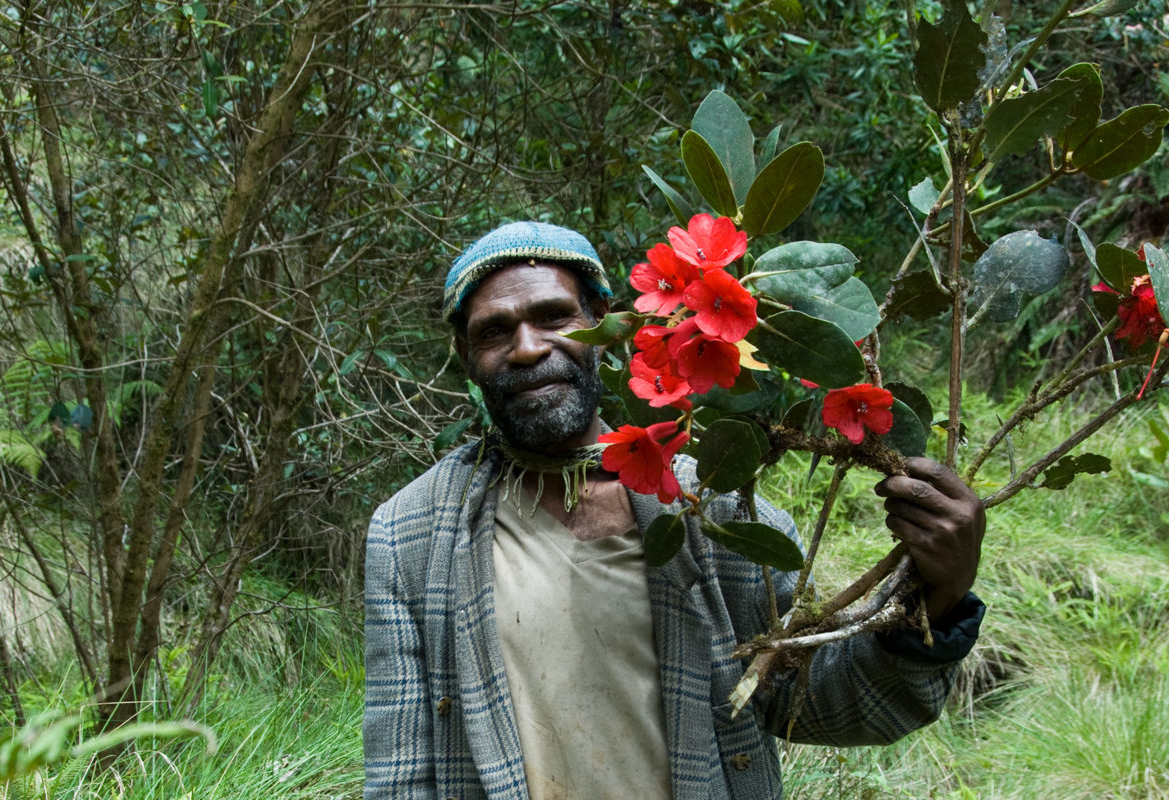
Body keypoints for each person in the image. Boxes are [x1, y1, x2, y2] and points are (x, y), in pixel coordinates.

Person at [363, 221, 986, 800]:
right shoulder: (410, 534)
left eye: (554, 316)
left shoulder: (713, 512)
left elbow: (818, 701)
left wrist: (940, 595)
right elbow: (400, 772)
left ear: (602, 321)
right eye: (493, 331)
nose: (526, 348)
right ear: (464, 353)